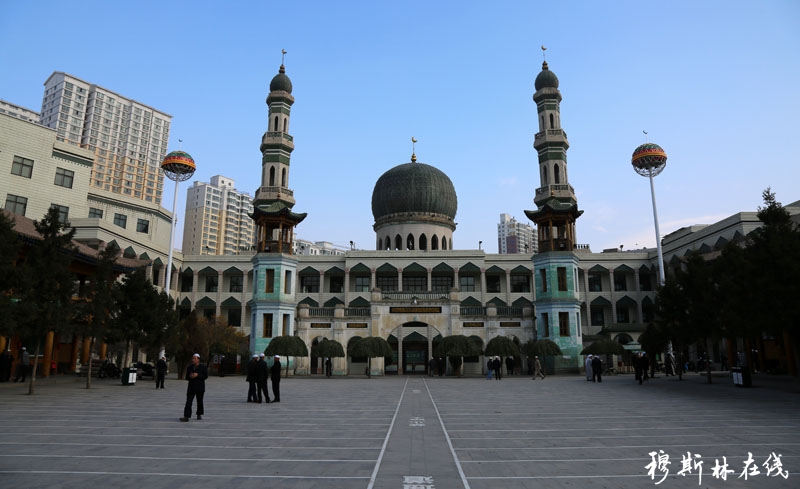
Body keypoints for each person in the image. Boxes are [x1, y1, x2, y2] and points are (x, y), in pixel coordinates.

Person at [180, 353, 208, 422]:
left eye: (195, 359)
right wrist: (190, 376)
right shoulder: (190, 367)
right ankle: (186, 416)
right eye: (192, 358)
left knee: (199, 402)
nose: (193, 360)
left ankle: (199, 414)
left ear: (198, 360)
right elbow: (186, 377)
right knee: (188, 402)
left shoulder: (203, 367)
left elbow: (205, 376)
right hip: (191, 388)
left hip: (200, 388)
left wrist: (197, 375)